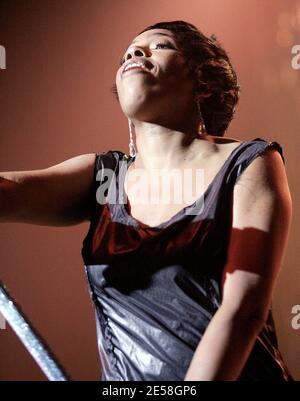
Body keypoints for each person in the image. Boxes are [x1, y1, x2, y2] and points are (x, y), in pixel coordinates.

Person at [0, 20, 293, 381]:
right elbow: (9, 192)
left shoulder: (250, 162)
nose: (136, 53)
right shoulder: (102, 176)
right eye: (127, 53)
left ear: (202, 78)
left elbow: (243, 309)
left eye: (160, 46)